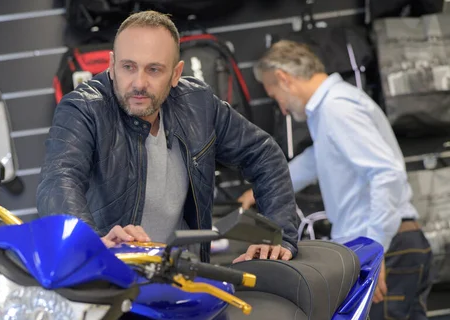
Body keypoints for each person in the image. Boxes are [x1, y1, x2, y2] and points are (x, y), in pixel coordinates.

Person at [241, 40, 445, 320]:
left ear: (284, 79)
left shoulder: (336, 108)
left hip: (386, 253)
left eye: (274, 95)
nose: (282, 108)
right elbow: (317, 159)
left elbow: (386, 175)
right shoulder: (332, 110)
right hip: (405, 250)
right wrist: (262, 189)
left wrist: (374, 250)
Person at [36, 10, 299, 263]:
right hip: (114, 279)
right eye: (128, 67)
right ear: (112, 65)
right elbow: (59, 179)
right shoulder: (83, 109)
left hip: (185, 278)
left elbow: (264, 154)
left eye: (154, 70)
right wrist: (90, 244)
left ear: (175, 73)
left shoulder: (198, 103)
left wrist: (279, 237)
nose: (139, 83)